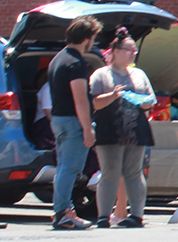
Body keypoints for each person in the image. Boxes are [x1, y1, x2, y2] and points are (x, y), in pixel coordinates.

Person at [89, 28, 157, 228]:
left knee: (134, 173)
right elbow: (94, 102)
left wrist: (144, 102)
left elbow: (150, 100)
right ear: (115, 51)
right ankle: (103, 216)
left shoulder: (139, 74)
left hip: (136, 131)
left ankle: (136, 215)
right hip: (110, 130)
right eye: (128, 50)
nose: (132, 53)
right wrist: (113, 95)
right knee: (110, 172)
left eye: (134, 50)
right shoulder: (101, 74)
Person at [47, 15, 103, 230]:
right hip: (72, 121)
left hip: (59, 119)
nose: (94, 43)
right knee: (69, 169)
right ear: (86, 38)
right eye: (93, 38)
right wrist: (87, 128)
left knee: (64, 168)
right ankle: (62, 212)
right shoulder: (76, 63)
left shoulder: (58, 59)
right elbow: (80, 98)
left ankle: (63, 210)